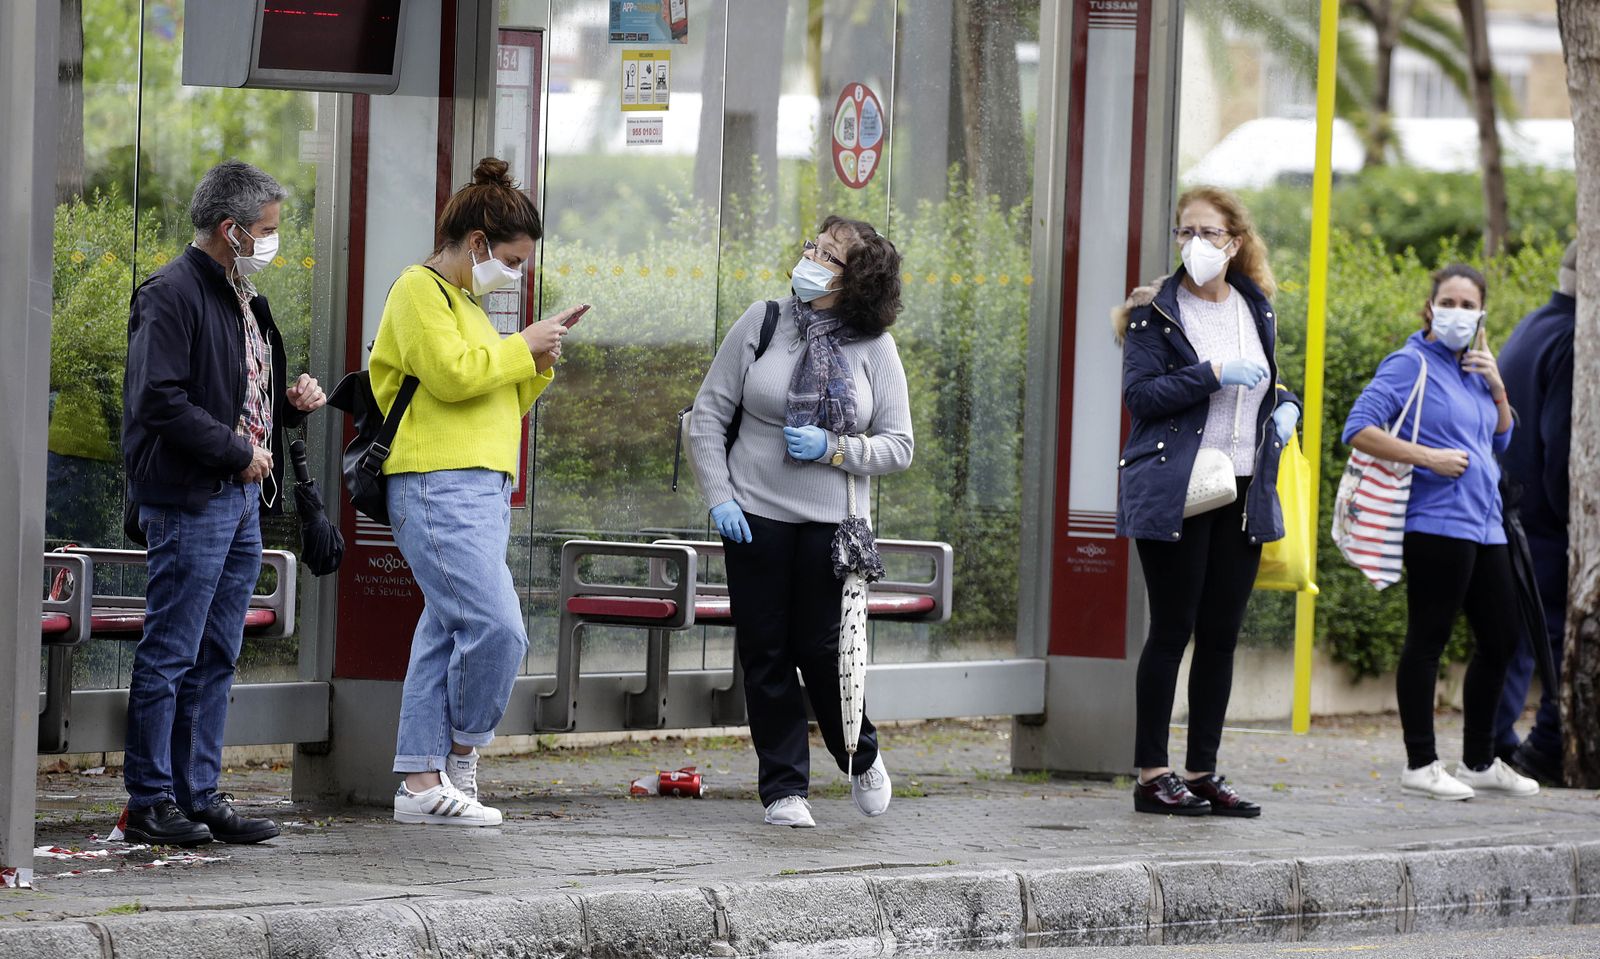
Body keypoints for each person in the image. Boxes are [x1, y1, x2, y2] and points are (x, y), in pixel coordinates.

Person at [121, 159, 326, 846]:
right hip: (191, 498)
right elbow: (158, 399)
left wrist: (290, 407)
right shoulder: (171, 293)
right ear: (229, 229)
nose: (271, 241)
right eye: (264, 230)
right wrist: (236, 452)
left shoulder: (244, 295)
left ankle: (198, 792)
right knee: (172, 651)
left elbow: (240, 394)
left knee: (216, 651)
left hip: (238, 504)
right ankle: (149, 798)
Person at [688, 215, 913, 828]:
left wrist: (837, 449)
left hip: (830, 526)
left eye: (827, 254)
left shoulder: (876, 349)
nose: (808, 257)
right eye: (811, 246)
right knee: (765, 652)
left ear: (857, 281)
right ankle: (784, 789)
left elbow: (899, 444)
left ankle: (859, 752)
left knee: (821, 651)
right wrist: (720, 498)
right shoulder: (763, 321)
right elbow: (707, 416)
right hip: (753, 514)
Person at [371, 157, 575, 827]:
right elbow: (454, 376)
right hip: (437, 484)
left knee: (446, 630)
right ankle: (460, 756)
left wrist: (535, 363)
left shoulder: (468, 304)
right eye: (511, 260)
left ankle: (420, 783)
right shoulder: (418, 290)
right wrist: (522, 346)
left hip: (478, 487)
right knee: (497, 628)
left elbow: (494, 398)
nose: (514, 274)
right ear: (479, 243)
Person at [1113, 185, 1301, 818]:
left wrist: (1287, 405)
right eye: (1185, 232)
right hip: (1180, 487)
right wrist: (1213, 373)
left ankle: (1201, 771)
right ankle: (1150, 774)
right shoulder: (1154, 314)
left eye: (1209, 233)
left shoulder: (1255, 305)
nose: (1196, 244)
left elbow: (1271, 378)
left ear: (1236, 242)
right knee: (1172, 630)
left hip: (1246, 486)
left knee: (1220, 635)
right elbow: (1142, 397)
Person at [1343, 263, 1540, 801]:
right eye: (1446, 302)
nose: (1456, 312)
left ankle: (1479, 759)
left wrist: (1498, 389)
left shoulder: (1476, 369)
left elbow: (1498, 443)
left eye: (1466, 304)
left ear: (1482, 313)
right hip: (1436, 522)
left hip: (1485, 523)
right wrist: (1427, 456)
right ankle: (1420, 762)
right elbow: (1357, 428)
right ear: (1430, 308)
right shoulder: (1410, 364)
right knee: (1428, 638)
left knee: (1501, 637)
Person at [1492, 241, 1576, 784]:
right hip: (1544, 518)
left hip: (1509, 504)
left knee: (1517, 637)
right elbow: (1564, 445)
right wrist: (1577, 523)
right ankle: (1546, 745)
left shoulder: (1534, 325)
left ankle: (1495, 745)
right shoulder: (1573, 338)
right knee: (1558, 638)